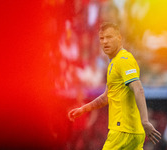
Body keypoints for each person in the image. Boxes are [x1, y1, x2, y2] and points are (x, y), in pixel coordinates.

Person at [68, 22, 161, 150]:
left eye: (109, 37)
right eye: (102, 38)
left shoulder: (124, 60)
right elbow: (106, 97)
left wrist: (145, 121)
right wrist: (84, 109)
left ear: (119, 38)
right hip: (132, 132)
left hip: (122, 131)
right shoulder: (114, 63)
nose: (105, 41)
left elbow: (138, 88)